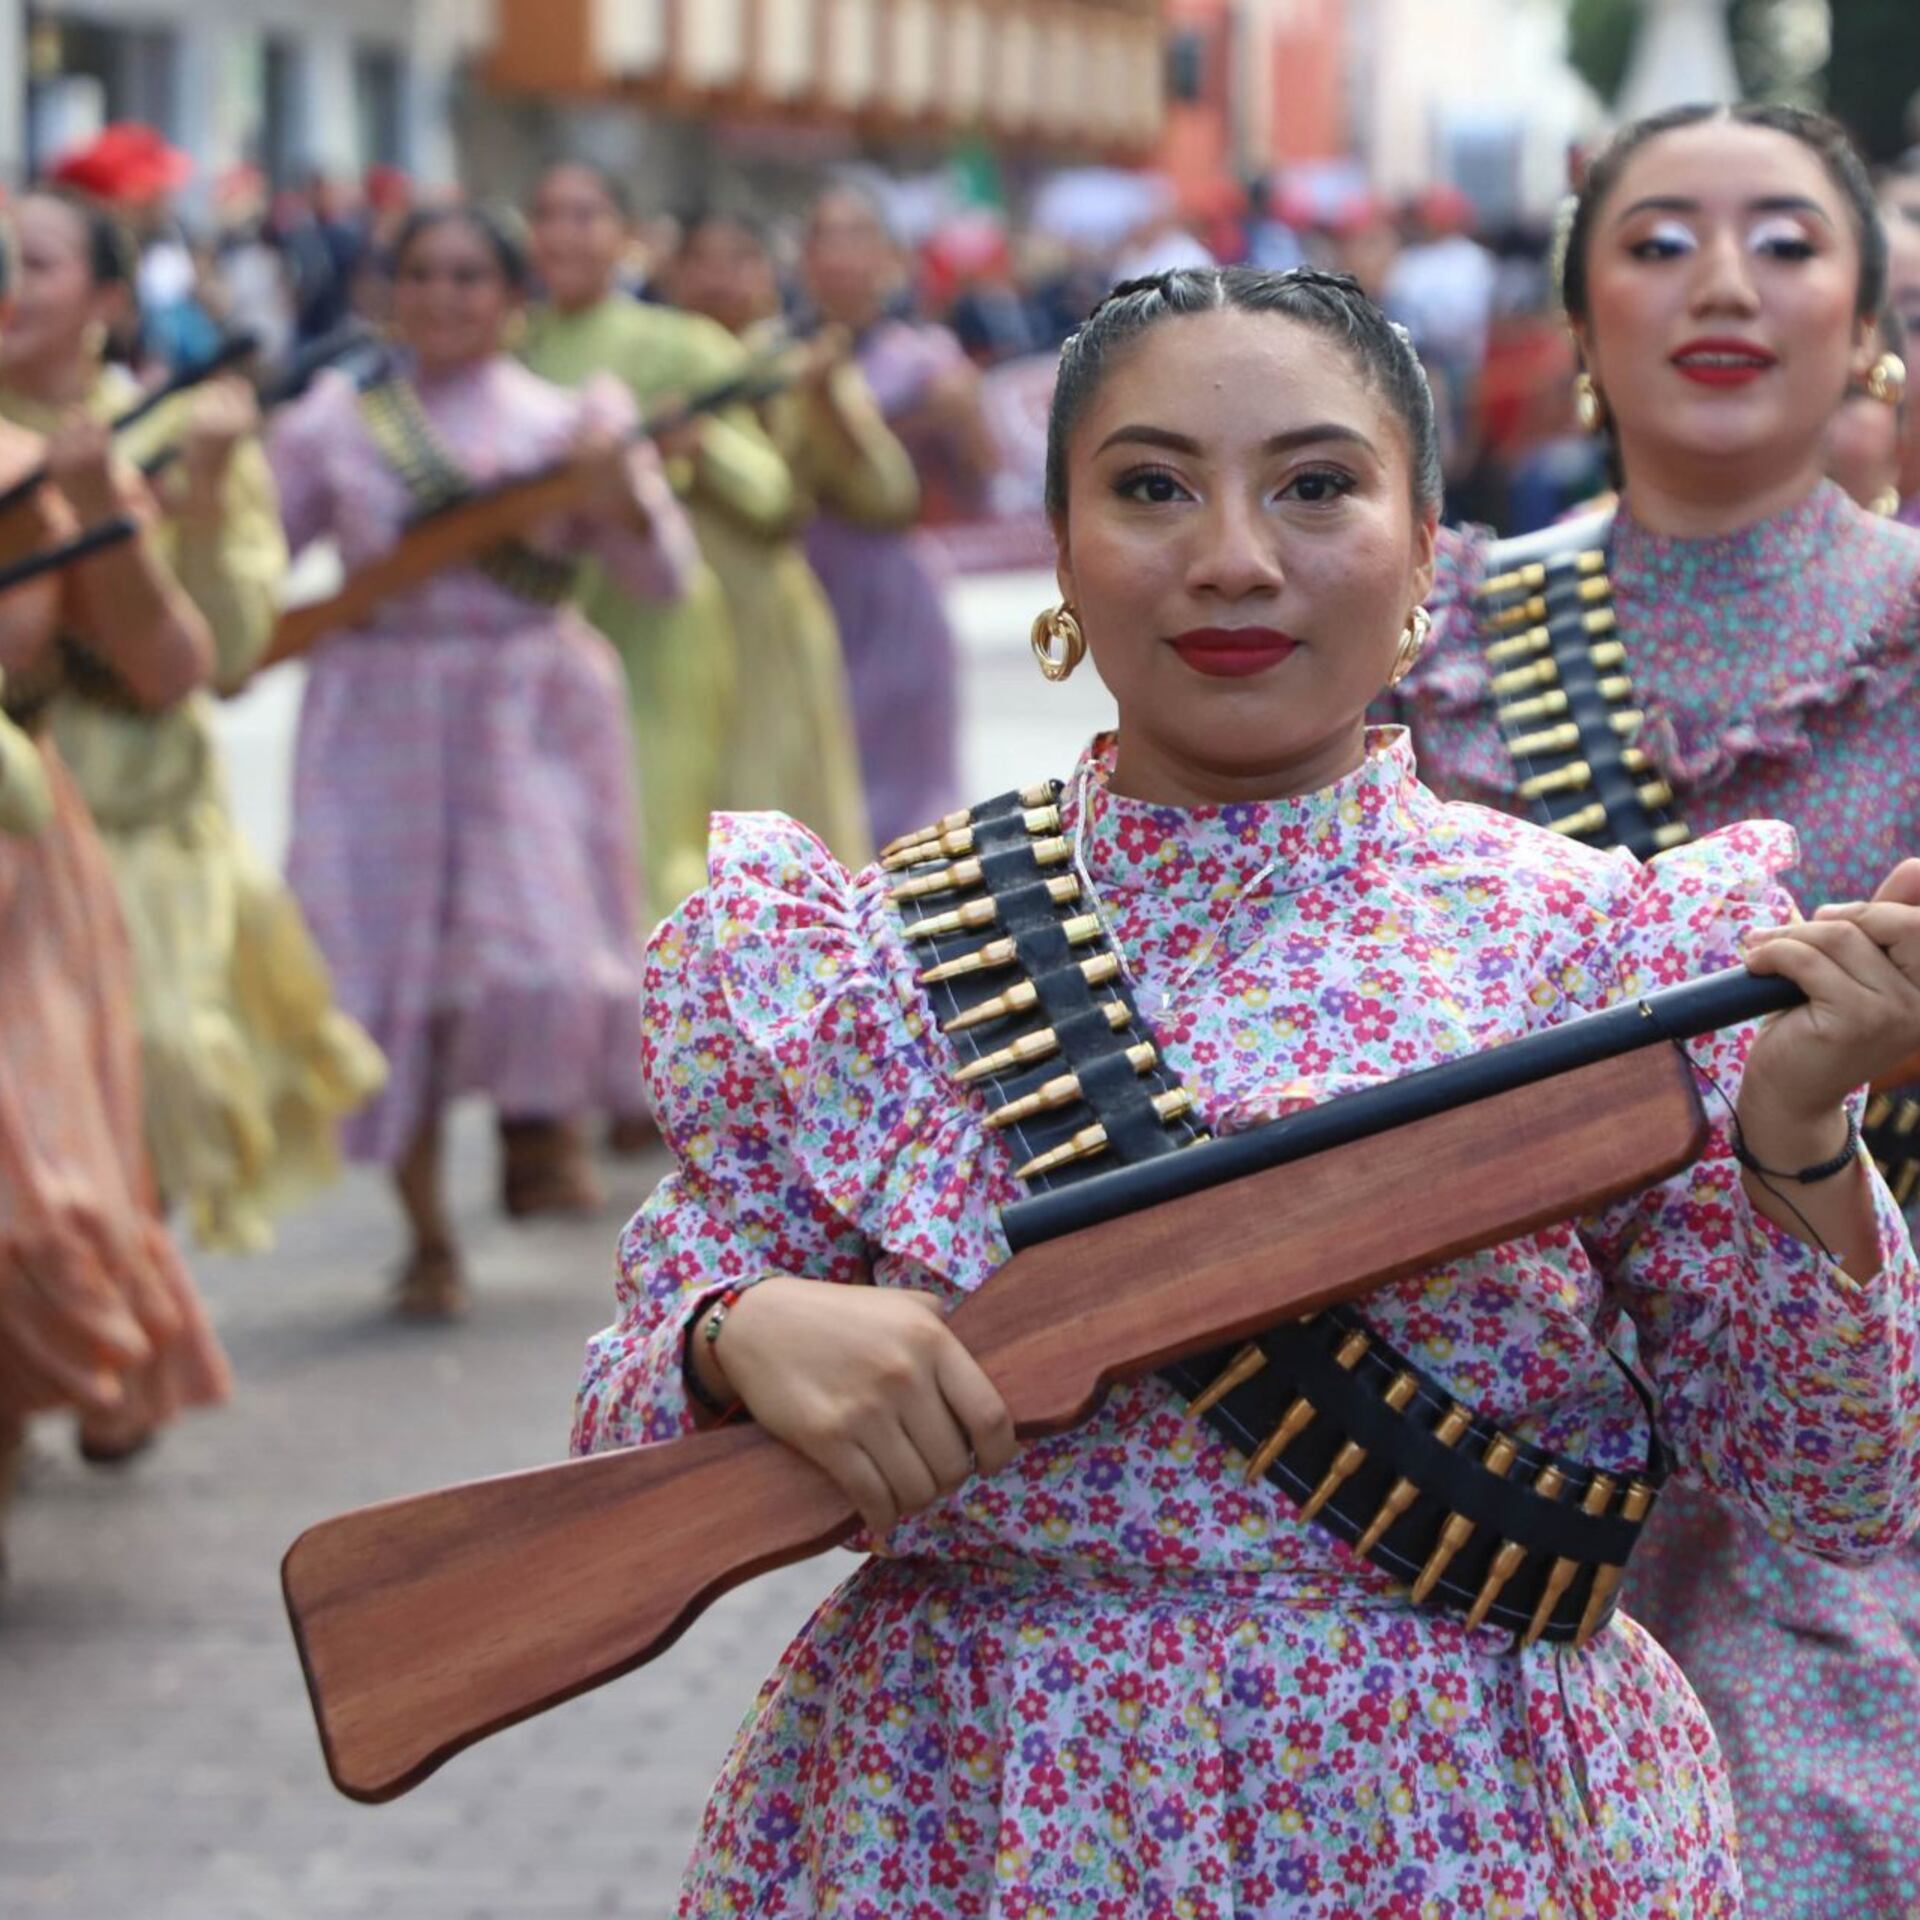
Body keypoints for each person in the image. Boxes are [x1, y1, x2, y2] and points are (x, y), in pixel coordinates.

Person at [575, 265, 1920, 1914]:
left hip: (1460, 1822)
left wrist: (1802, 1134)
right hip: (972, 1808)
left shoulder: (1601, 943)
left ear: (1426, 551)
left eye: (1315, 486)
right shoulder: (867, 955)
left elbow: (1836, 1483)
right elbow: (617, 1432)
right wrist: (737, 1333)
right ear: (1061, 550)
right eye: (1151, 489)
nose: (1231, 556)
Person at [1395, 103, 1920, 1918]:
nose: (1722, 283)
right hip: (1490, 1430)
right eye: (1658, 240)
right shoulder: (1436, 632)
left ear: (1869, 324)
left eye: (1786, 241)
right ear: (1580, 322)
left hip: (1868, 1430)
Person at [269, 204, 698, 1317]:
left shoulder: (570, 420)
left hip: (526, 708)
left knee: (543, 955)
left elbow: (662, 580)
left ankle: (536, 1124)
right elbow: (255, 553)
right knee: (386, 982)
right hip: (377, 711)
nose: (443, 296)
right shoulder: (336, 422)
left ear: (514, 299)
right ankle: (425, 1234)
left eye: (469, 276)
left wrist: (619, 491)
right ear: (388, 291)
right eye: (421, 273)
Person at [0, 187, 385, 1252]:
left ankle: (119, 1288)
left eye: (36, 263)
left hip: (144, 812)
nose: (11, 286)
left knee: (151, 1070)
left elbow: (223, 655)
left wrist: (203, 495)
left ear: (110, 299)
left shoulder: (182, 434)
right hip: (18, 802)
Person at [1, 381, 231, 1533]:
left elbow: (172, 666)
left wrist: (101, 507)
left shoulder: (37, 477)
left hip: (19, 874)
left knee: (34, 1215)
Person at [524, 163, 799, 914]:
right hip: (541, 624)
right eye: (548, 216)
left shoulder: (682, 345)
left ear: (627, 237)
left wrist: (699, 446)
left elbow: (773, 491)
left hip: (657, 622)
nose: (563, 235)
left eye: (585, 216)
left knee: (652, 840)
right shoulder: (512, 347)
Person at [670, 207, 929, 865]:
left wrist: (822, 399)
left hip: (767, 616)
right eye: (700, 261)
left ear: (769, 274)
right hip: (667, 612)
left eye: (738, 260)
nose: (717, 279)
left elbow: (887, 494)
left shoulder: (791, 366)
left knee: (775, 799)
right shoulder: (656, 365)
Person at [798, 186, 994, 848]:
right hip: (802, 586)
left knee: (908, 800)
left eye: (857, 237)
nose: (840, 256)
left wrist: (957, 417)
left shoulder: (925, 357)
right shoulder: (780, 357)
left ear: (889, 260)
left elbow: (979, 480)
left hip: (894, 591)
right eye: (825, 238)